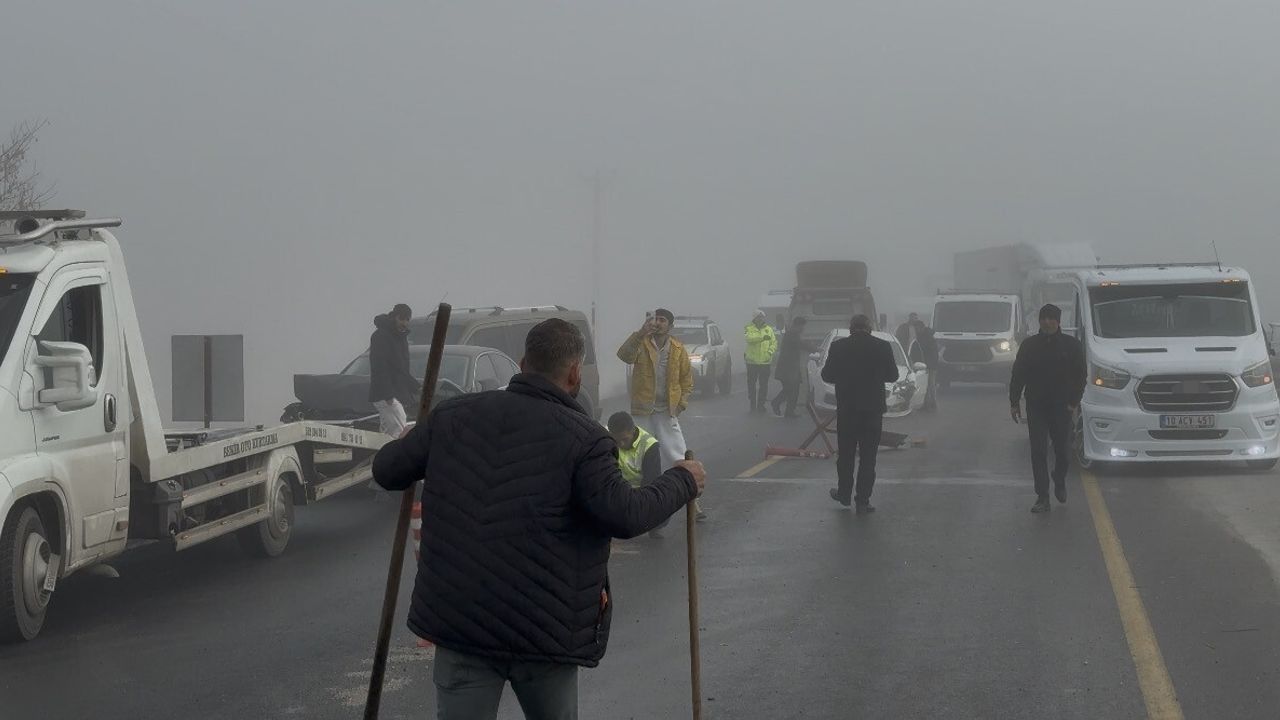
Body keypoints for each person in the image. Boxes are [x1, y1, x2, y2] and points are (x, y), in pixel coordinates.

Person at [373, 319, 706, 720]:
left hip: (462, 627)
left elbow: (387, 470)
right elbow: (625, 515)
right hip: (545, 633)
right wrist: (682, 480)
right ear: (575, 372)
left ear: (521, 363)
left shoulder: (451, 417)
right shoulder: (585, 439)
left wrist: (421, 433)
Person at [617, 308, 706, 520]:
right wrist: (641, 332)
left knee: (678, 455)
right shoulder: (642, 343)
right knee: (636, 458)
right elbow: (623, 355)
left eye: (662, 320)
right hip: (642, 411)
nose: (657, 323)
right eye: (655, 319)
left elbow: (687, 379)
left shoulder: (677, 349)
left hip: (666, 411)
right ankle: (632, 504)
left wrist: (681, 403)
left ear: (670, 326)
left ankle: (693, 503)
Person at [1009, 304, 1086, 514]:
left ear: (1058, 321)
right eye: (1043, 318)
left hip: (1062, 407)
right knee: (1038, 451)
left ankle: (1059, 479)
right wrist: (1014, 402)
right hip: (1036, 406)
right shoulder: (1029, 345)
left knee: (1062, 451)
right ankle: (1042, 496)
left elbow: (1081, 376)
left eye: (1051, 318)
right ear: (1039, 321)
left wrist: (1074, 402)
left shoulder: (1071, 346)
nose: (1047, 322)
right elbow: (1018, 375)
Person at [821, 314, 899, 513]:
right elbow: (893, 375)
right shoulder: (882, 347)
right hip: (872, 411)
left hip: (847, 410)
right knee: (868, 457)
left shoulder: (839, 347)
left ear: (851, 327)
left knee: (846, 455)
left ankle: (844, 494)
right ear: (869, 328)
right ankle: (863, 500)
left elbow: (827, 375)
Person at [607, 411, 670, 538]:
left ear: (633, 430)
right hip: (616, 491)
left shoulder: (649, 445)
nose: (621, 445)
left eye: (625, 439)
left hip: (640, 493)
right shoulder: (604, 439)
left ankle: (652, 526)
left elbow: (652, 480)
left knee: (662, 498)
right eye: (617, 441)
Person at [368, 303, 418, 438]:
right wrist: (388, 395)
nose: (405, 323)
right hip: (386, 395)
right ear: (394, 317)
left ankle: (380, 455)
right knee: (400, 432)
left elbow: (401, 370)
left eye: (407, 319)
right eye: (402, 318)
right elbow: (379, 366)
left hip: (395, 393)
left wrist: (416, 387)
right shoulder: (381, 336)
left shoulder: (401, 338)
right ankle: (396, 458)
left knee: (388, 434)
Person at [771, 316, 808, 418]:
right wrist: (816, 348)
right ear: (798, 325)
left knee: (791, 390)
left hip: (789, 369)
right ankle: (778, 404)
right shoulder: (792, 334)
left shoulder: (792, 333)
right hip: (788, 369)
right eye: (802, 326)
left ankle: (788, 411)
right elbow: (801, 344)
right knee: (791, 389)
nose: (803, 329)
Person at [744, 310, 779, 413]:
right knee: (751, 384)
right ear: (754, 318)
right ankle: (752, 404)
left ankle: (761, 405)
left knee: (763, 385)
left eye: (762, 317)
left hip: (765, 362)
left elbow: (774, 343)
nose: (760, 319)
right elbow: (749, 339)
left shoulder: (769, 329)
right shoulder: (748, 328)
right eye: (758, 317)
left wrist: (769, 352)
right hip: (752, 362)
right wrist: (762, 338)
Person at [908, 319, 939, 412]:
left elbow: (932, 353)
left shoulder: (928, 338)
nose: (916, 329)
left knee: (930, 384)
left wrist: (927, 365)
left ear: (921, 327)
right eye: (915, 328)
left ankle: (931, 403)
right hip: (924, 364)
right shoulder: (922, 336)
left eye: (917, 327)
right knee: (926, 384)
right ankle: (928, 403)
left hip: (929, 365)